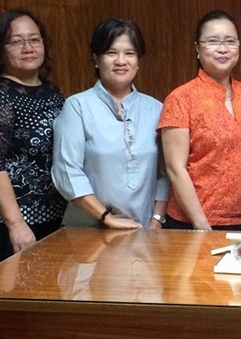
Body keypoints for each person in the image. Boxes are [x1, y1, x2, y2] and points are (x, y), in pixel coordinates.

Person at [0, 9, 66, 267]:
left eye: (34, 39)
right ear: (0, 50)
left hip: (55, 215)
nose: (27, 47)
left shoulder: (51, 91)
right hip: (12, 224)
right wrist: (16, 224)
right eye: (16, 41)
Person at [52, 18, 169, 229]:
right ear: (96, 59)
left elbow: (164, 174)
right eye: (111, 53)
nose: (121, 61)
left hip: (143, 232)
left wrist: (157, 220)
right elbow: (67, 172)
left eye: (130, 53)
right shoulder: (77, 106)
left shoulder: (156, 109)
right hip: (87, 233)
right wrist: (107, 218)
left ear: (138, 60)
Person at [158, 11, 241, 231]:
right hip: (192, 223)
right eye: (213, 41)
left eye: (230, 41)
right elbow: (175, 168)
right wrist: (202, 226)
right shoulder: (180, 98)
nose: (222, 48)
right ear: (197, 48)